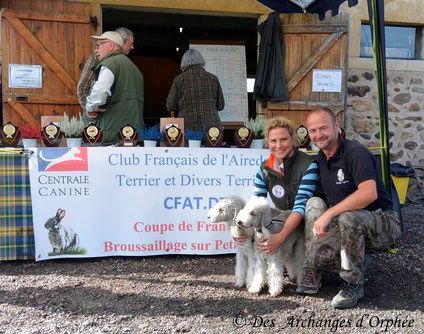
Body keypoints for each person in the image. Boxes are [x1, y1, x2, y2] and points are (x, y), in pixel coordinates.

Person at [297, 107, 401, 309]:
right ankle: (350, 262)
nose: (318, 135)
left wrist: (330, 213)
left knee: (347, 217)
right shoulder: (321, 158)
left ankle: (353, 283)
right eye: (313, 131)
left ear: (337, 126)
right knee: (318, 250)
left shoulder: (355, 152)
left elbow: (369, 193)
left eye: (323, 128)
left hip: (383, 220)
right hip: (349, 226)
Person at [235, 117, 319, 259]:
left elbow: (300, 207)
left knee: (314, 203)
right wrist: (242, 231)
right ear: (268, 142)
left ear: (293, 139)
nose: (278, 145)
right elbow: (256, 203)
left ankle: (312, 265)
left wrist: (280, 237)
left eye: (284, 139)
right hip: (285, 220)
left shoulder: (309, 164)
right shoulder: (265, 168)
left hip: (307, 222)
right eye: (273, 141)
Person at [85, 31, 144, 144]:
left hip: (112, 135)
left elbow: (100, 92)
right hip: (133, 135)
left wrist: (90, 108)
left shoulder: (110, 64)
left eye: (99, 45)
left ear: (110, 45)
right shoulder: (136, 70)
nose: (96, 50)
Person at [77, 27, 135, 117]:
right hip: (95, 116)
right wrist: (89, 109)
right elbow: (82, 86)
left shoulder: (125, 63)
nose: (132, 47)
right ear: (121, 43)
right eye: (130, 44)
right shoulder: (96, 58)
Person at [166, 49, 225, 132]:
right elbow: (220, 105)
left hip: (187, 128)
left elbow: (170, 105)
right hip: (212, 128)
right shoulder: (213, 78)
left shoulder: (179, 80)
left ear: (184, 62)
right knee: (211, 144)